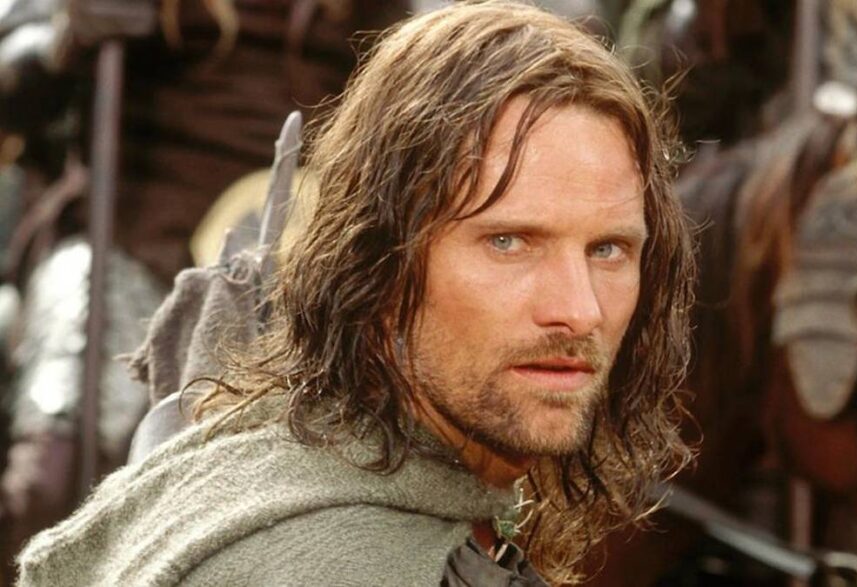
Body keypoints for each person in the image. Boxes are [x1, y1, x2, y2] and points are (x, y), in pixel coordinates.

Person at [15, 2, 696, 584]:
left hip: (308, 224)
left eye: (609, 250)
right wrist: (56, 43)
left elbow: (444, 93)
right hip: (142, 233)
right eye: (509, 241)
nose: (580, 309)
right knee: (50, 473)